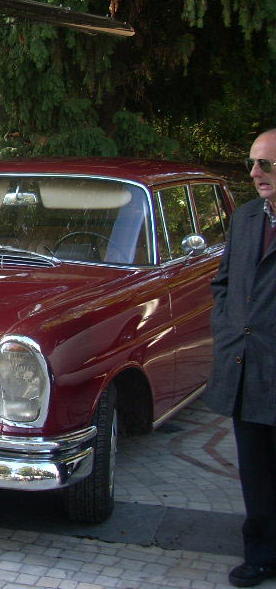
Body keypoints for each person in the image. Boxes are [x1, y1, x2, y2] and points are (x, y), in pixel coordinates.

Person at [207, 128, 276, 587]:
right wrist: (227, 328)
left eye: (266, 164)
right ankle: (261, 555)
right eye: (252, 163)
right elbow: (224, 283)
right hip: (245, 368)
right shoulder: (247, 217)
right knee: (255, 472)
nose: (254, 173)